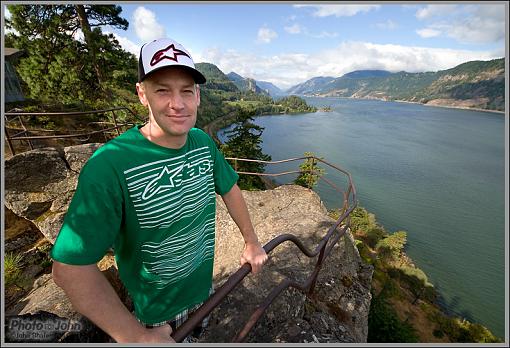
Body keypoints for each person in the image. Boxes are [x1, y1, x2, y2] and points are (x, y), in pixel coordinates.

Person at [50, 37, 268, 343]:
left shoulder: (202, 144)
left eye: (186, 91)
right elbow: (69, 268)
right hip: (158, 313)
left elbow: (230, 187)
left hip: (204, 290)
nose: (177, 104)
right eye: (162, 90)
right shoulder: (110, 165)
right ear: (142, 94)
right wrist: (135, 336)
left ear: (198, 96)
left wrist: (252, 242)